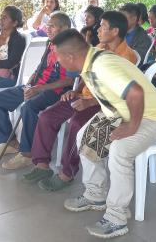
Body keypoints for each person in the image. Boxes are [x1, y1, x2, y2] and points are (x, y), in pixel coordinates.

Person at [56, 30, 156, 239]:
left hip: (150, 115)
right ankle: (95, 194)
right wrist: (91, 101)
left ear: (70, 57)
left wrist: (131, 127)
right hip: (121, 111)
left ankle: (117, 218)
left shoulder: (101, 65)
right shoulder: (90, 62)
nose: (58, 61)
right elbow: (110, 91)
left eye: (58, 57)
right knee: (83, 137)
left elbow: (136, 93)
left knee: (119, 150)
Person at [27, 11, 137, 191]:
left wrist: (89, 102)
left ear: (115, 31)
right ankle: (42, 165)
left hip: (103, 104)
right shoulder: (99, 47)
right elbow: (86, 74)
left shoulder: (126, 56)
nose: (98, 30)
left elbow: (116, 92)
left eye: (103, 27)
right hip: (83, 96)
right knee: (47, 116)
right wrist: (75, 90)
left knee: (77, 124)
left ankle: (66, 173)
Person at [0, 13, 74, 168]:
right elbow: (41, 67)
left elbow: (69, 80)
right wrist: (31, 83)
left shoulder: (70, 47)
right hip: (37, 85)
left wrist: (40, 88)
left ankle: (27, 153)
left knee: (29, 107)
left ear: (64, 28)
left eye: (52, 26)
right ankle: (9, 142)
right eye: (48, 25)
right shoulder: (50, 42)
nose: (47, 28)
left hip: (55, 91)